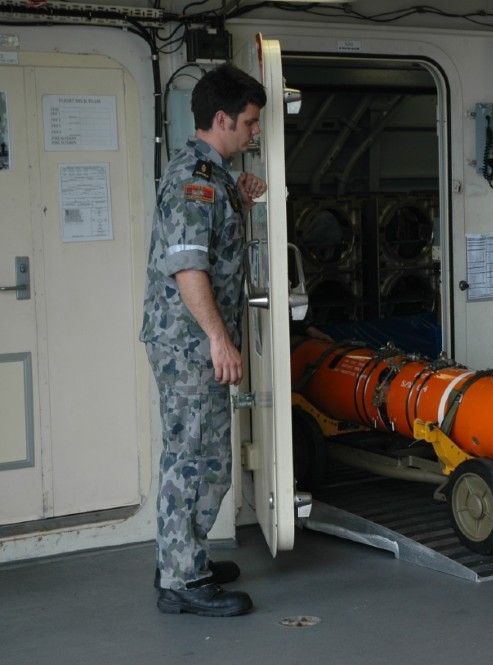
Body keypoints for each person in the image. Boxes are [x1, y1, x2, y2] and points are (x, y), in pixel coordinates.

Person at [140, 64, 267, 617]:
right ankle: (181, 581)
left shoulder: (213, 179)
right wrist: (219, 338)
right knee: (193, 459)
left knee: (207, 458)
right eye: (249, 122)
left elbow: (212, 243)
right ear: (221, 119)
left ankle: (182, 556)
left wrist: (241, 199)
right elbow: (189, 268)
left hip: (195, 345)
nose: (254, 132)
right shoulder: (193, 181)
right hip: (190, 347)